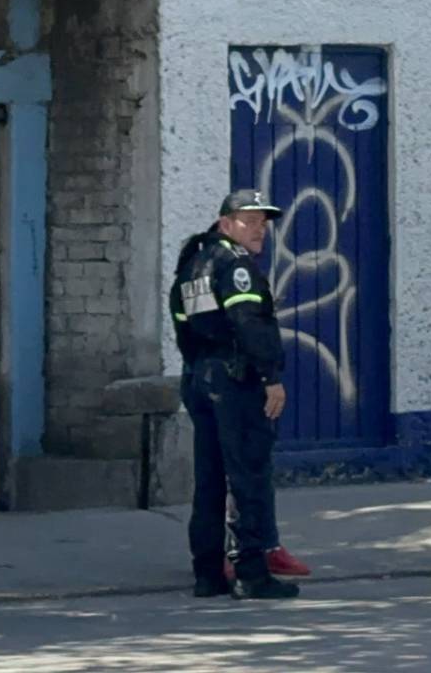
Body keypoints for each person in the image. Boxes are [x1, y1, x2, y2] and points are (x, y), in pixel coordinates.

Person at [169, 188, 302, 600]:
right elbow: (248, 322)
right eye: (249, 221)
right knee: (247, 475)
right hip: (236, 379)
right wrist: (270, 377)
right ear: (226, 224)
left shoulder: (193, 262)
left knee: (209, 479)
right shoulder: (235, 264)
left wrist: (200, 369)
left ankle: (207, 574)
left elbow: (181, 324)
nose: (259, 230)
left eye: (263, 223)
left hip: (201, 378)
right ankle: (251, 573)